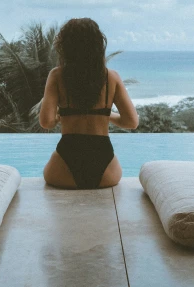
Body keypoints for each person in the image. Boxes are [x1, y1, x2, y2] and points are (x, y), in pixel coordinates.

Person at [39, 18, 139, 189]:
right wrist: (105, 115)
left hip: (64, 167)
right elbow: (131, 122)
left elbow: (46, 122)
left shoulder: (56, 76)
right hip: (106, 171)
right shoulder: (111, 77)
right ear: (98, 45)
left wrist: (59, 116)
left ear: (65, 47)